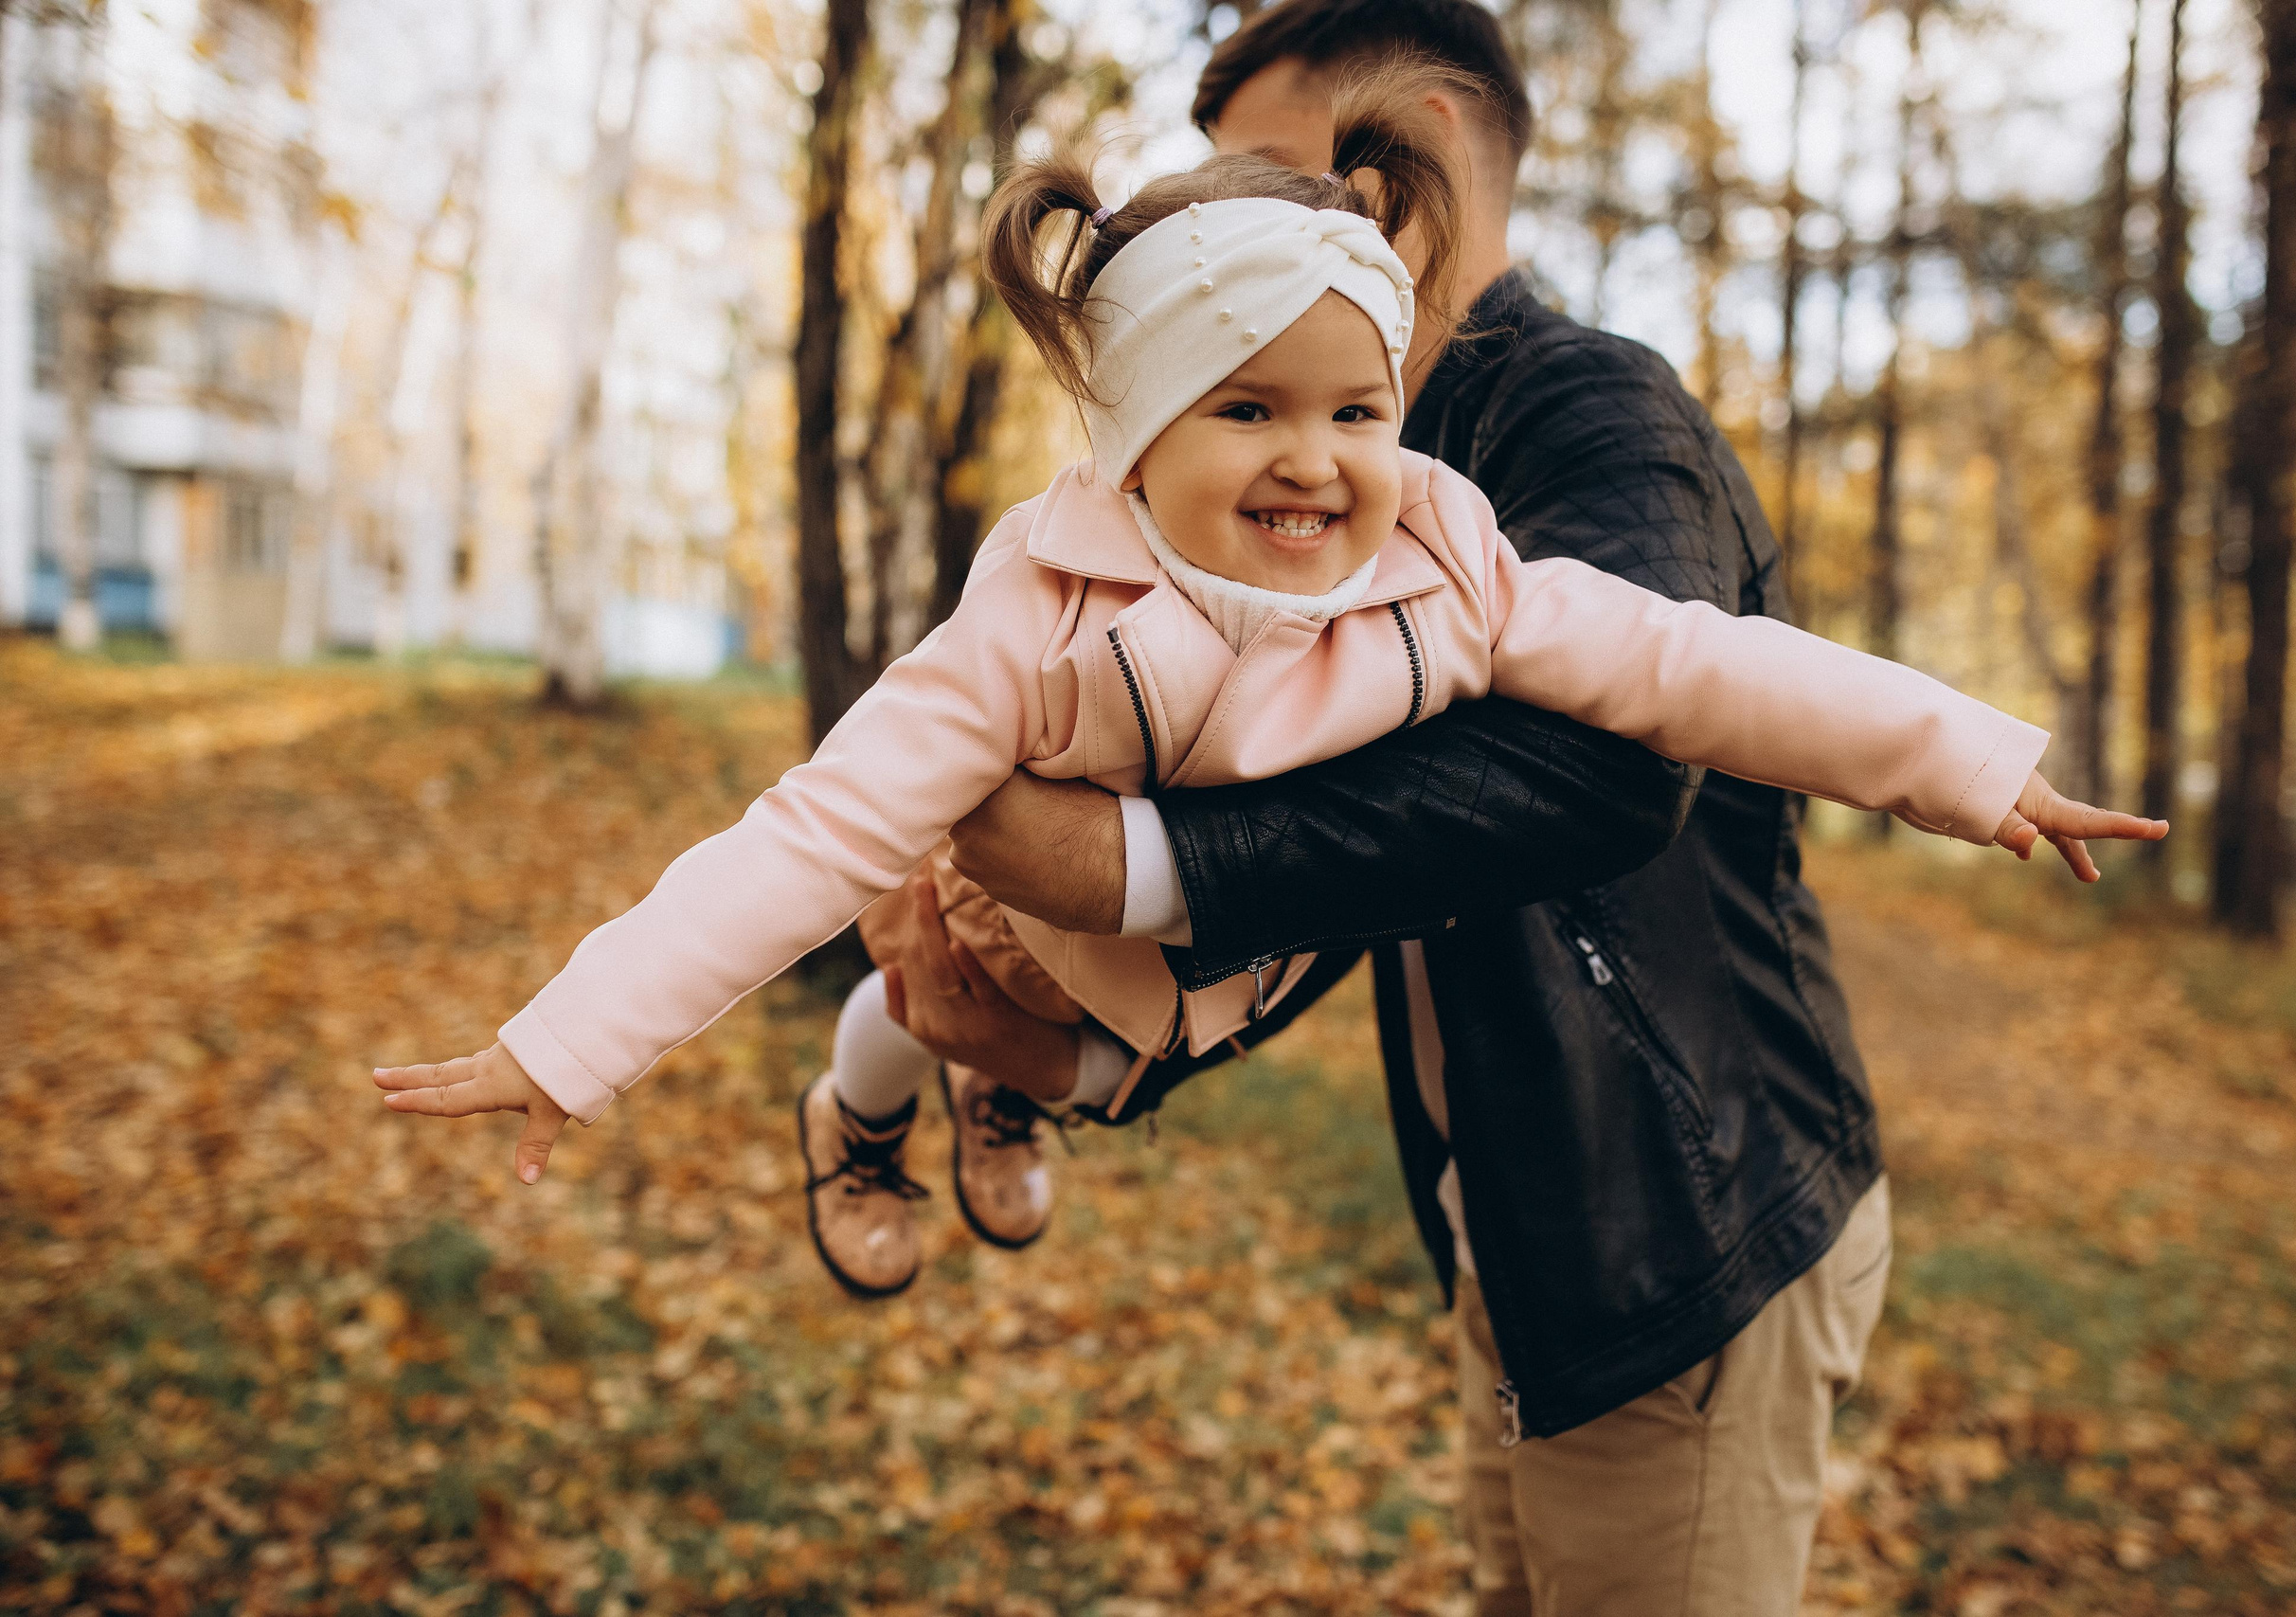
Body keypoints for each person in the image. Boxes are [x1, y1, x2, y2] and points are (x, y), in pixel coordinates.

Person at [370, 55, 2161, 1600]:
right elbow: (809, 831)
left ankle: (1009, 1091)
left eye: (1355, 411)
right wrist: (573, 1042)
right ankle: (868, 1113)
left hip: (1618, 1194)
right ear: (1137, 440)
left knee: (1023, 1010)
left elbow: (1687, 673)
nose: (1316, 457)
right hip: (1068, 945)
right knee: (916, 981)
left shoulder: (1456, 555)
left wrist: (1966, 764)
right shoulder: (1034, 621)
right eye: (1248, 408)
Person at [898, 2, 2037, 1612]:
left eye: (1282, 171)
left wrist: (1130, 865)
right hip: (1530, 1232)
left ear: (1417, 137)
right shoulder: (1356, 465)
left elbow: (1608, 777)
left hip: (1682, 1231)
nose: (1238, 234)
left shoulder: (1590, 412)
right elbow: (1376, 862)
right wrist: (1099, 1057)